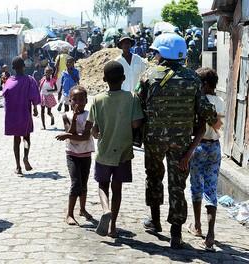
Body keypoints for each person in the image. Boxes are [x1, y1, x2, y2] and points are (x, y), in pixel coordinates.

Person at [135, 33, 218, 249]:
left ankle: (154, 221)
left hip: (154, 140)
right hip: (181, 143)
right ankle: (176, 233)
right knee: (177, 185)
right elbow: (207, 114)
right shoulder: (193, 79)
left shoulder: (148, 76)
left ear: (162, 53)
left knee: (153, 178)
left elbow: (137, 105)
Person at [89, 61, 144, 238]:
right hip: (123, 151)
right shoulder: (132, 98)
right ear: (124, 78)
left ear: (104, 79)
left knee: (102, 185)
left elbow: (95, 131)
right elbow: (136, 123)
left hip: (104, 151)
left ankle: (105, 209)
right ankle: (113, 227)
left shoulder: (97, 100)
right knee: (117, 189)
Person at [188, 67, 225, 252]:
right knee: (211, 189)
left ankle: (197, 225)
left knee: (196, 186)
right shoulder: (220, 101)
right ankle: (211, 234)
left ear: (203, 85)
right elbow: (219, 126)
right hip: (215, 147)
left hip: (198, 146)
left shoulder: (197, 101)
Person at [56, 86, 95, 226]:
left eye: (81, 99)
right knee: (76, 183)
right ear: (70, 101)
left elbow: (85, 137)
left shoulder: (90, 115)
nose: (78, 102)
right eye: (74, 100)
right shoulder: (66, 115)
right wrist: (74, 119)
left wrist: (67, 135)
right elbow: (71, 134)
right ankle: (70, 213)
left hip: (85, 153)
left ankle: (82, 209)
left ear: (86, 100)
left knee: (83, 183)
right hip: (72, 154)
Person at [3, 57, 41, 175]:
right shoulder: (29, 80)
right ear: (24, 66)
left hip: (13, 115)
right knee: (26, 138)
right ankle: (26, 157)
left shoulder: (9, 81)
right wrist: (35, 107)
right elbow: (34, 95)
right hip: (25, 113)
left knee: (16, 140)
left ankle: (18, 166)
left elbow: (4, 96)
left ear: (13, 68)